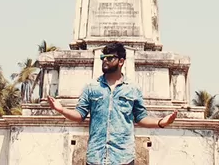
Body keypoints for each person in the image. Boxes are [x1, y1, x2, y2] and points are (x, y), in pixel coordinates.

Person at [47, 42, 177, 165]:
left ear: (121, 61)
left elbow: (141, 117)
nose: (105, 60)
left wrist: (161, 122)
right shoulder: (91, 87)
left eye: (109, 58)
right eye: (103, 57)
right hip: (96, 157)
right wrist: (61, 109)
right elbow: (79, 115)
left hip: (123, 158)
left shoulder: (132, 89)